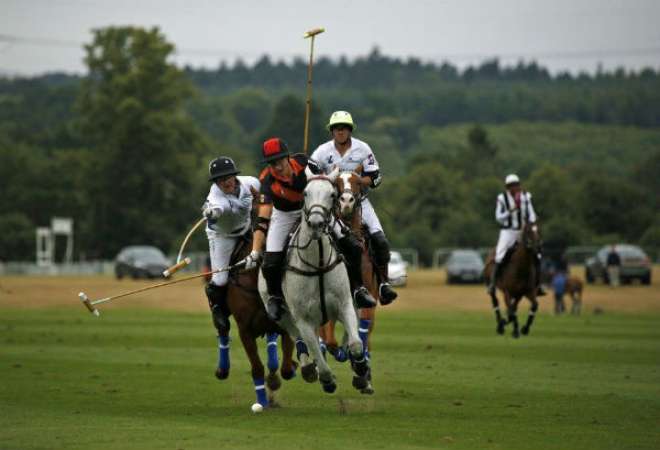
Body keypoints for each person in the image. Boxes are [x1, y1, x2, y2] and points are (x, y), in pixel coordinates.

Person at [241, 137, 377, 322]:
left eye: (280, 160)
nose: (277, 166)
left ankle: (358, 289)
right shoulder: (267, 179)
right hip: (284, 215)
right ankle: (274, 298)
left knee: (351, 246)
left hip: (314, 210)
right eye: (272, 162)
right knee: (270, 262)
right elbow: (263, 217)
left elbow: (328, 183)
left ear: (287, 157)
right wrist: (256, 251)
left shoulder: (306, 163)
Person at [310, 111, 397, 304]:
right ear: (332, 131)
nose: (340, 132)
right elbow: (311, 172)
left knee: (380, 241)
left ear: (349, 130)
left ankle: (383, 283)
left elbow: (375, 177)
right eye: (337, 128)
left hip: (360, 202)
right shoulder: (322, 151)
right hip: (331, 204)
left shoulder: (363, 149)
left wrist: (357, 180)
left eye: (344, 128)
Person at [202, 156, 260, 367]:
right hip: (222, 236)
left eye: (228, 177)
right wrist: (212, 213)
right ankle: (218, 312)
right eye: (220, 180)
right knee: (220, 279)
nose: (225, 182)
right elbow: (216, 209)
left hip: (247, 230)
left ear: (235, 176)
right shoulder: (215, 197)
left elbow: (266, 192)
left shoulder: (251, 183)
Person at [488, 173, 546, 296]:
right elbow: (498, 218)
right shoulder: (502, 198)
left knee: (537, 253)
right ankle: (493, 284)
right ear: (507, 187)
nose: (514, 188)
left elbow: (531, 213)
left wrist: (532, 223)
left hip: (523, 230)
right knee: (499, 254)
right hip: (508, 231)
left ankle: (538, 285)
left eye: (516, 185)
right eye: (511, 186)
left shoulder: (526, 196)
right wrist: (511, 211)